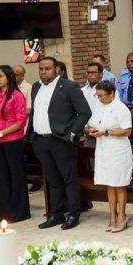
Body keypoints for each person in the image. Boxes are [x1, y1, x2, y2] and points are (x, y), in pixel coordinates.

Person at [28, 57, 91, 229]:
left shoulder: (69, 86)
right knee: (52, 179)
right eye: (41, 68)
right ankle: (56, 214)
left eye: (48, 68)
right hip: (41, 140)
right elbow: (35, 112)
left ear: (57, 70)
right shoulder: (36, 87)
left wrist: (72, 133)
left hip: (61, 140)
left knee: (69, 178)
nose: (43, 72)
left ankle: (73, 214)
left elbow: (84, 112)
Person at [84, 81, 133, 233]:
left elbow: (127, 131)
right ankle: (112, 215)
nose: (100, 99)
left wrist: (106, 132)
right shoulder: (99, 108)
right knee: (109, 184)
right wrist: (89, 130)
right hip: (103, 150)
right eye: (98, 96)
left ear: (112, 94)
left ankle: (122, 216)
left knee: (119, 184)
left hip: (118, 150)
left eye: (102, 96)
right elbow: (89, 125)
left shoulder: (121, 108)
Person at [0, 66, 28, 223]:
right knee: (1, 176)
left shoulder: (17, 96)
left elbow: (20, 121)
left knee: (15, 175)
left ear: (9, 77)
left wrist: (0, 133)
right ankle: (6, 213)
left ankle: (20, 212)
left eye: (1, 76)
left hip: (12, 141)